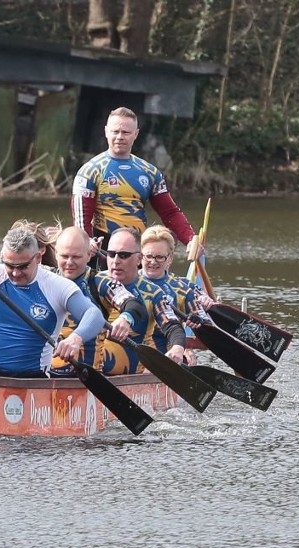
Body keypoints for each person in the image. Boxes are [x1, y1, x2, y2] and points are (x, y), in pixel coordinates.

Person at [0, 226, 105, 378]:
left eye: (23, 266)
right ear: (2, 257)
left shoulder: (58, 286)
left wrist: (75, 338)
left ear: (38, 258)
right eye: (10, 265)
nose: (15, 273)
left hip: (30, 377)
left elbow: (94, 315)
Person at [71, 106, 201, 268]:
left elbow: (170, 212)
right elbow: (81, 218)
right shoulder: (90, 171)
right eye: (115, 131)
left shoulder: (150, 172)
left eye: (125, 132)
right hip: (103, 251)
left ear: (136, 134)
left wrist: (191, 239)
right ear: (106, 132)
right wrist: (86, 242)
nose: (119, 137)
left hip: (138, 248)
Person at [51, 226, 149, 376]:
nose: (69, 263)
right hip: (46, 374)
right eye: (64, 256)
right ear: (56, 254)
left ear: (89, 255)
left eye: (76, 257)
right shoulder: (45, 279)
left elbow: (134, 305)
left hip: (88, 378)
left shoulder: (100, 282)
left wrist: (125, 318)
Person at [101, 227, 187, 374]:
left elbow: (172, 326)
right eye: (111, 254)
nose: (116, 261)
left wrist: (178, 347)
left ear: (139, 259)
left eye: (124, 255)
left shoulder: (153, 292)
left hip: (136, 374)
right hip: (93, 370)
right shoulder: (96, 281)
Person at [139, 225, 215, 366]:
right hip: (132, 356)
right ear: (140, 256)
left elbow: (209, 331)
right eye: (148, 256)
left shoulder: (184, 288)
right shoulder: (126, 283)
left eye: (160, 257)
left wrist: (190, 340)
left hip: (170, 359)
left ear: (170, 258)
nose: (153, 262)